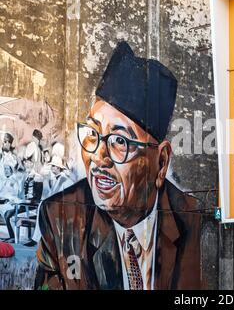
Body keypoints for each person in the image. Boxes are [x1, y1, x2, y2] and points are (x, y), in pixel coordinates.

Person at [35, 41, 201, 290]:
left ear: (162, 161)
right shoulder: (61, 220)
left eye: (120, 141)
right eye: (93, 134)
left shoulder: (194, 222)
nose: (99, 156)